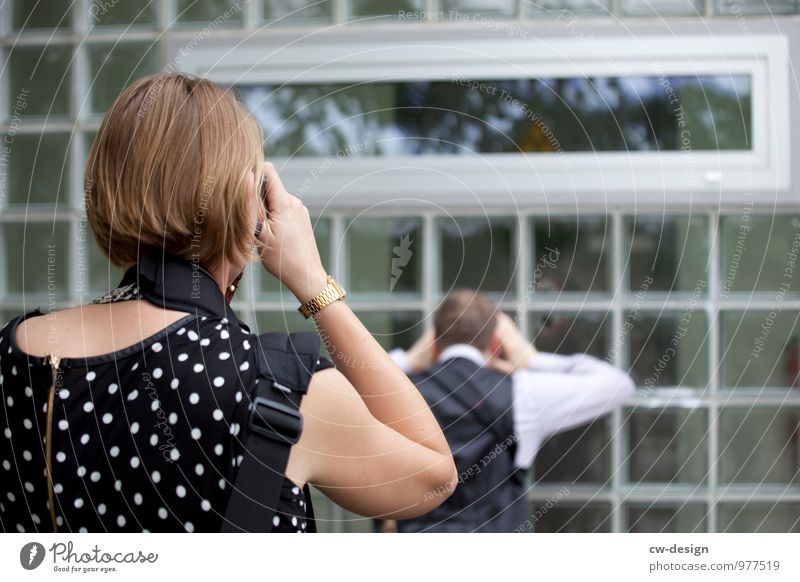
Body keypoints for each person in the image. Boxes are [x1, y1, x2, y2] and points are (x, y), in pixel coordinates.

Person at [0, 73, 456, 533]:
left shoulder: (12, 351)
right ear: (248, 203)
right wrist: (315, 284)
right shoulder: (277, 387)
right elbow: (434, 475)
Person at [382, 289, 634, 532]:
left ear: (434, 343)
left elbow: (344, 395)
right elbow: (619, 385)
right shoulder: (524, 393)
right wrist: (531, 359)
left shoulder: (398, 394)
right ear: (495, 342)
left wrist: (407, 360)